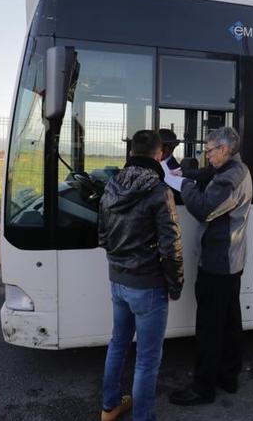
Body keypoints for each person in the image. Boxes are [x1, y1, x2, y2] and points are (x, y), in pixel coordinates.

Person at [97, 129, 184, 421]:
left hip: (118, 280)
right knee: (147, 359)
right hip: (148, 285)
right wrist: (175, 284)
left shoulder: (111, 184)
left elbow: (103, 235)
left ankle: (109, 408)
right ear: (159, 155)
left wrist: (118, 263)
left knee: (118, 343)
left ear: (131, 151)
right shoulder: (160, 191)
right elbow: (171, 246)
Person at [163, 127, 253, 406]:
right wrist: (185, 174)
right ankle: (228, 376)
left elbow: (203, 207)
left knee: (209, 328)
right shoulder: (235, 168)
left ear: (223, 150)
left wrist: (183, 185)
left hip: (218, 262)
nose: (206, 155)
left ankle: (203, 388)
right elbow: (208, 175)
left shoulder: (230, 178)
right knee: (228, 322)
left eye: (209, 150)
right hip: (230, 262)